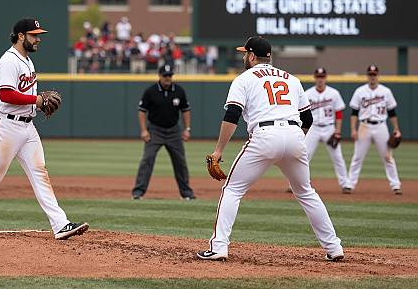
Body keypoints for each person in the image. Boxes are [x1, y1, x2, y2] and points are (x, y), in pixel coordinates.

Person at [198, 36, 343, 262]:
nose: (244, 57)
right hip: (295, 134)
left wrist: (218, 151)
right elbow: (307, 117)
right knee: (306, 192)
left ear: (253, 56)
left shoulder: (244, 79)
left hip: (265, 135)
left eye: (245, 53)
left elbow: (232, 114)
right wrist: (293, 141)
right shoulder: (292, 79)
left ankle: (219, 247)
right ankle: (334, 247)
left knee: (232, 190)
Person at [0, 18, 89, 239]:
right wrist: (37, 100)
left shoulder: (27, 61)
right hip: (5, 126)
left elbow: (24, 96)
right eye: (34, 35)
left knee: (39, 172)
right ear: (21, 36)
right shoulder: (8, 61)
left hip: (27, 127)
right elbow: (6, 94)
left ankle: (60, 224)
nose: (38, 39)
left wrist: (37, 105)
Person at [132, 64, 195, 200]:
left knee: (180, 161)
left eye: (170, 76)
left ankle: (187, 193)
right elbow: (142, 111)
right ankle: (138, 192)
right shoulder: (151, 91)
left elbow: (185, 110)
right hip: (155, 130)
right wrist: (143, 130)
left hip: (173, 131)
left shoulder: (179, 90)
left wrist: (187, 129)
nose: (168, 78)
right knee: (147, 159)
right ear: (160, 76)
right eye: (165, 75)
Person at [348, 65, 402, 194]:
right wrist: (353, 129)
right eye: (370, 74)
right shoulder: (360, 91)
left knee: (388, 157)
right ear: (367, 76)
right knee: (357, 157)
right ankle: (349, 184)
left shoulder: (386, 91)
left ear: (378, 75)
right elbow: (354, 112)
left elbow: (392, 112)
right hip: (364, 126)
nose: (372, 76)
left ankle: (395, 185)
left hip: (381, 126)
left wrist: (396, 129)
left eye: (374, 74)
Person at [302, 67, 351, 193]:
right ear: (315, 78)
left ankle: (345, 184)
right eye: (318, 77)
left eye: (322, 77)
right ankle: (297, 184)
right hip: (313, 129)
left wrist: (338, 131)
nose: (320, 79)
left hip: (329, 128)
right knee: (304, 156)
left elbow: (339, 113)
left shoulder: (333, 93)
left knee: (337, 157)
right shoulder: (307, 94)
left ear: (325, 78)